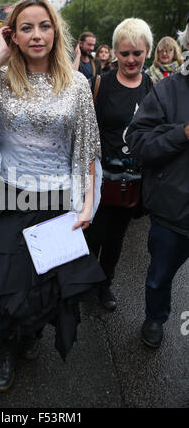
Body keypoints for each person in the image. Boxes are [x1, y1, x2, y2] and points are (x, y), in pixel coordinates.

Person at [0, 0, 105, 393]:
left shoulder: (77, 84)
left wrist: (88, 203)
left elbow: (88, 147)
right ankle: (5, 348)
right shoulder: (1, 80)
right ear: (13, 35)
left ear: (56, 31)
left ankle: (29, 335)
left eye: (43, 26)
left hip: (56, 202)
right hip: (11, 198)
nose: (36, 35)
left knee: (44, 284)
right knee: (3, 280)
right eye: (25, 28)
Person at [126, 17, 189, 349]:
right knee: (160, 276)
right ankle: (155, 317)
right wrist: (182, 134)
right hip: (172, 213)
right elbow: (138, 143)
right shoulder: (166, 90)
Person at [84, 18, 153, 311]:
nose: (131, 59)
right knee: (93, 236)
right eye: (124, 53)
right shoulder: (101, 83)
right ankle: (85, 285)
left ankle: (105, 285)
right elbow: (85, 130)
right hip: (99, 180)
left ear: (146, 51)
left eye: (137, 53)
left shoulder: (152, 86)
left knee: (116, 239)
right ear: (114, 52)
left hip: (132, 183)